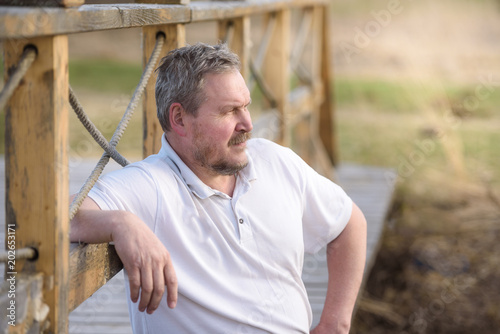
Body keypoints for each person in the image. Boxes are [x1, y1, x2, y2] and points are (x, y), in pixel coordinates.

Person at [70, 43, 367, 334]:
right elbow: (54, 215)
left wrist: (335, 323)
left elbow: (348, 222)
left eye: (246, 107)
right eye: (229, 112)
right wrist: (121, 223)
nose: (247, 124)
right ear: (179, 119)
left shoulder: (276, 161)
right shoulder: (152, 185)